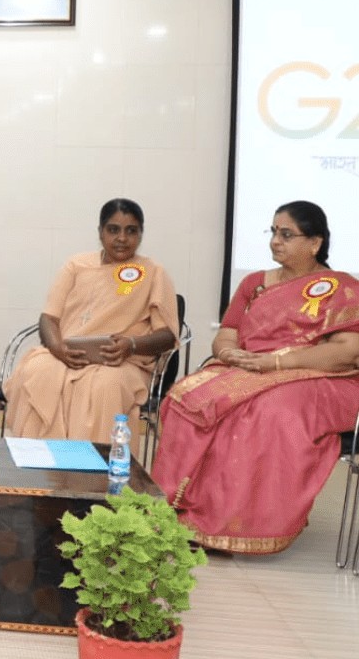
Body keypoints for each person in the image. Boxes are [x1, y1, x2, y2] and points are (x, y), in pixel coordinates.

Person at [152, 201, 359, 555]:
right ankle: (176, 510)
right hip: (247, 369)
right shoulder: (255, 283)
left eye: (287, 234)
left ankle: (231, 525)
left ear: (315, 243)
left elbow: (348, 351)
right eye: (274, 232)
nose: (275, 241)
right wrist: (230, 353)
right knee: (184, 397)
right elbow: (227, 333)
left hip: (321, 378)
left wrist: (276, 363)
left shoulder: (343, 288)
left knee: (264, 411)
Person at [3, 199, 178, 446]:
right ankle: (37, 458)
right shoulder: (77, 265)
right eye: (113, 229)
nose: (122, 238)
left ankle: (95, 466)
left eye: (131, 231)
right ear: (100, 232)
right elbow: (49, 318)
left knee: (105, 385)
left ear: (141, 234)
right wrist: (58, 348)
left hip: (122, 361)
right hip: (67, 354)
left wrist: (131, 345)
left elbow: (167, 336)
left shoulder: (153, 272)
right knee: (37, 370)